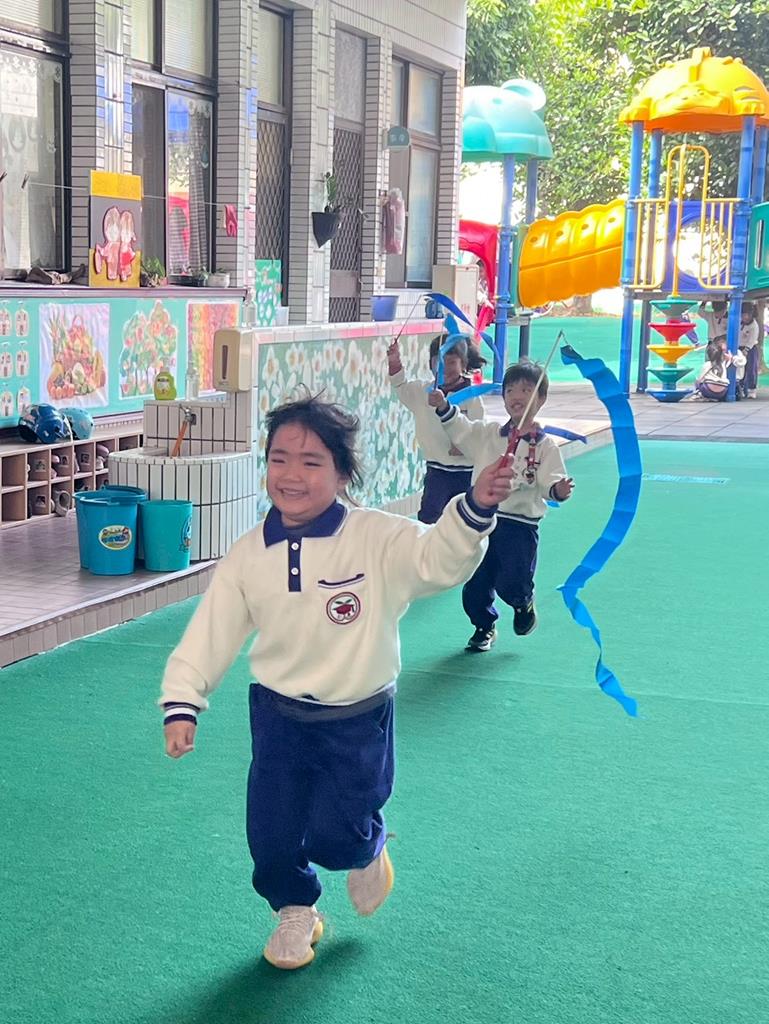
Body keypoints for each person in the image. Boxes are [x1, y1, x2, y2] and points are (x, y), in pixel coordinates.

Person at [160, 393, 513, 970]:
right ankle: (295, 910)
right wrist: (183, 701)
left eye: (311, 461)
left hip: (357, 717)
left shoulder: (375, 537)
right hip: (277, 716)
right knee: (271, 832)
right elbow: (212, 630)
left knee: (336, 835)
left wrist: (473, 507)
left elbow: (436, 560)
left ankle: (366, 849)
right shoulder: (249, 554)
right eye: (279, 459)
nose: (290, 475)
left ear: (343, 473)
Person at [428, 361, 574, 652]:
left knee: (513, 581)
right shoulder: (488, 434)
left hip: (519, 525)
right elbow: (461, 429)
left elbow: (551, 480)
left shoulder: (545, 446)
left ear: (541, 398)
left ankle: (523, 603)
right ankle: (484, 626)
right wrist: (443, 406)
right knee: (475, 581)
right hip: (483, 521)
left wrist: (558, 489)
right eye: (510, 390)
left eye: (526, 390)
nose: (516, 396)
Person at [388, 334, 484, 523]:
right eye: (438, 361)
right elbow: (399, 384)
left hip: (465, 472)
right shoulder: (422, 392)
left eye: (451, 362)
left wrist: (464, 445)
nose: (444, 368)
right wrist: (394, 361)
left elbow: (478, 431)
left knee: (463, 520)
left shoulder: (472, 397)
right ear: (430, 364)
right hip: (436, 470)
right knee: (429, 518)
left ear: (464, 364)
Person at [739, 301, 760, 399]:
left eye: (747, 315)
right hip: (739, 348)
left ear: (751, 314)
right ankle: (740, 388)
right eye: (743, 315)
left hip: (750, 349)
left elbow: (752, 340)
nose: (745, 317)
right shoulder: (738, 322)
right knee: (739, 369)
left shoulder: (754, 325)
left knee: (751, 369)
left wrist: (746, 350)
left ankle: (752, 389)